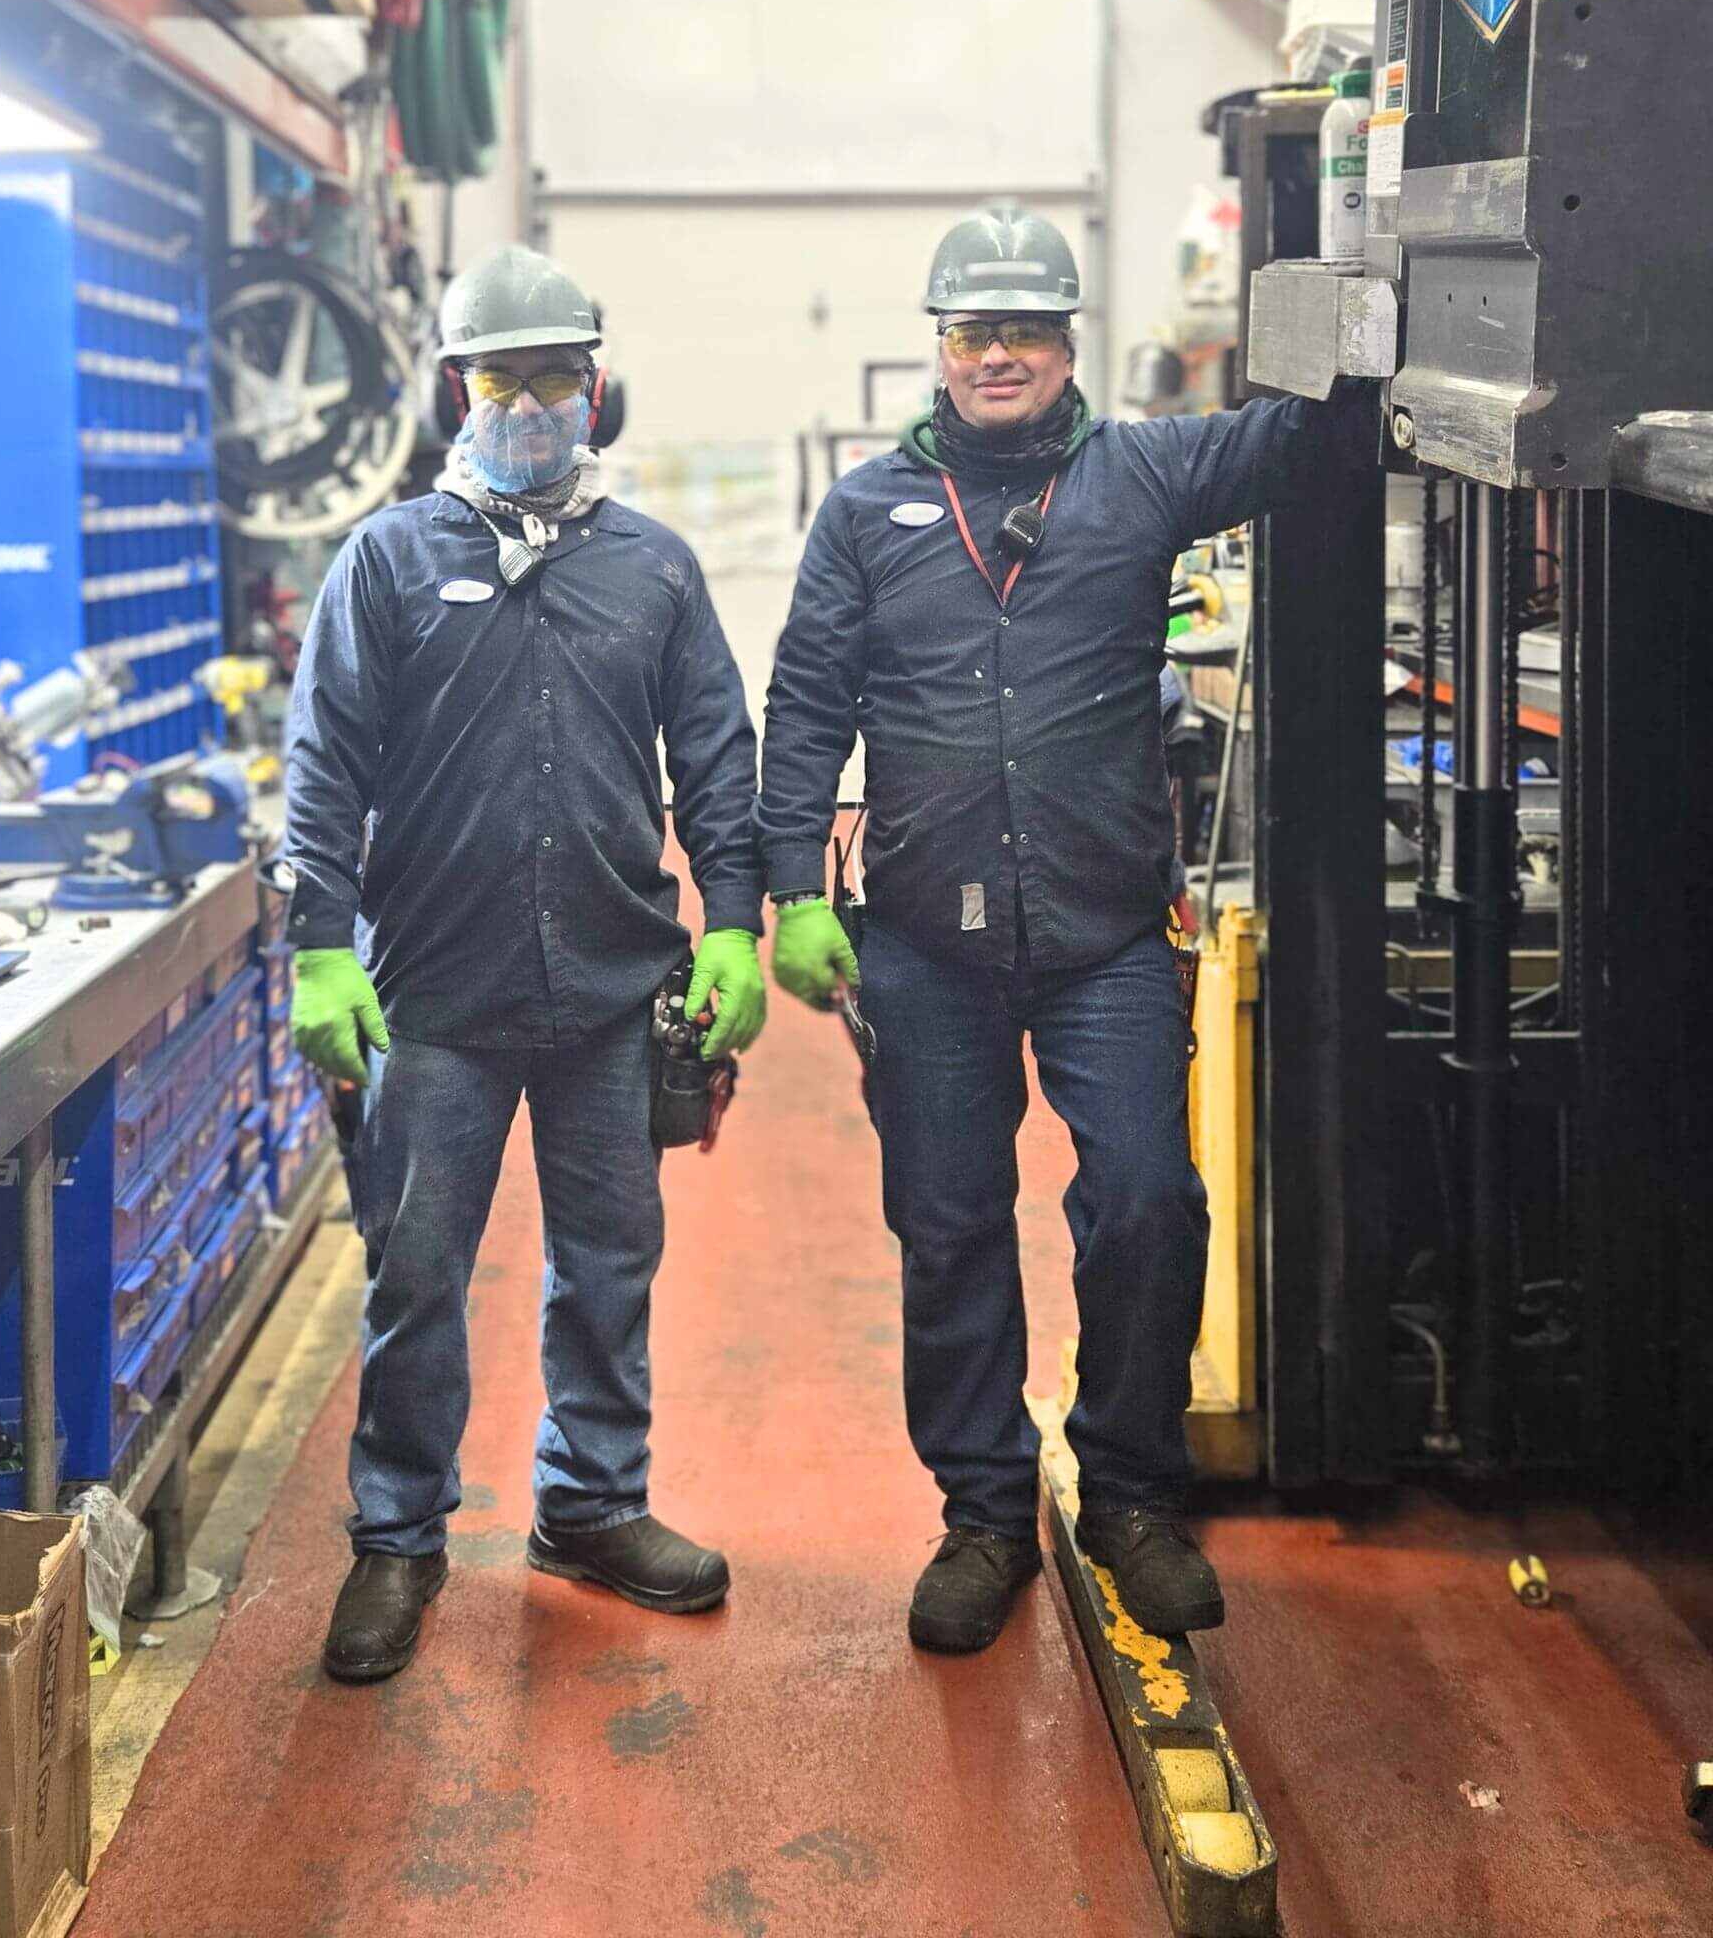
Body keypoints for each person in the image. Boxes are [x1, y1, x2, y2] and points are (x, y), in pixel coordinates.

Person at [757, 204, 1374, 1654]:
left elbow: (1303, 441)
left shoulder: (1143, 473)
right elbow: (804, 706)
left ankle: (1130, 1496)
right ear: (941, 348)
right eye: (974, 332)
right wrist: (787, 891)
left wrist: (1357, 272)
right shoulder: (867, 515)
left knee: (1151, 1202)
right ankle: (982, 1515)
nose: (999, 356)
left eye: (1026, 331)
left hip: (1104, 931)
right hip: (921, 937)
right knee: (951, 1222)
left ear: (1067, 343)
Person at [283, 242, 768, 1684]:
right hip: (432, 993)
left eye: (560, 374)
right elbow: (323, 769)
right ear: (460, 386)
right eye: (507, 375)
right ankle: (398, 1536)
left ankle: (590, 1505)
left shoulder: (653, 568)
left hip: (614, 992)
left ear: (598, 385)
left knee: (608, 1265)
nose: (535, 402)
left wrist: (735, 917)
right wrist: (319, 947)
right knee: (418, 1274)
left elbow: (719, 764)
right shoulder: (388, 561)